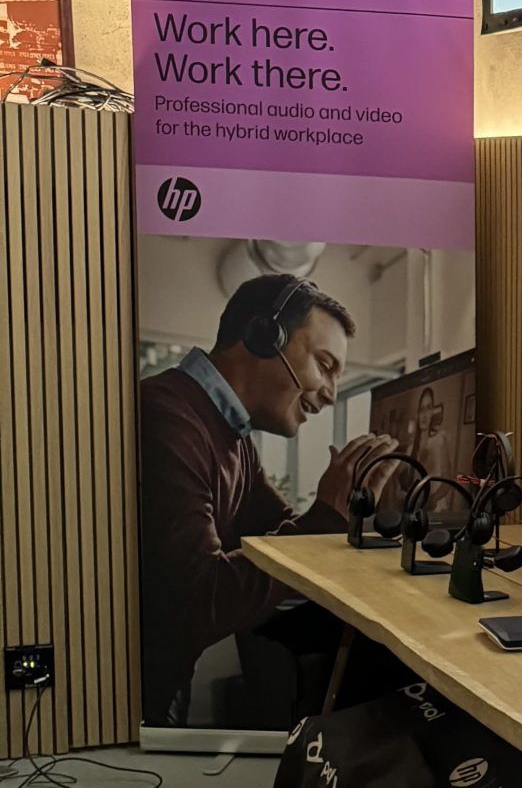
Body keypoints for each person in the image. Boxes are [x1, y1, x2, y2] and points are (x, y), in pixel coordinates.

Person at [138, 273, 394, 725]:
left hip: (161, 690)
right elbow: (197, 601)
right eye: (324, 365)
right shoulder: (167, 416)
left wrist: (347, 515)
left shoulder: (235, 439)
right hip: (120, 708)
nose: (331, 394)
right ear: (263, 337)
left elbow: (286, 538)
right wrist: (325, 517)